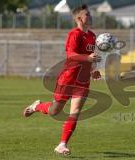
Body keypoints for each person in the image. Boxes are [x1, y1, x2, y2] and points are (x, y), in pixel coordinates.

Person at [23, 4, 101, 155]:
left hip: (83, 80)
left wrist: (93, 70)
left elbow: (90, 58)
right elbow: (71, 55)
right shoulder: (74, 34)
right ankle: (37, 106)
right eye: (87, 14)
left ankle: (62, 144)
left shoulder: (92, 36)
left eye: (90, 14)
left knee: (75, 111)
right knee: (54, 111)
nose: (90, 16)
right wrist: (87, 58)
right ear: (79, 18)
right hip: (68, 78)